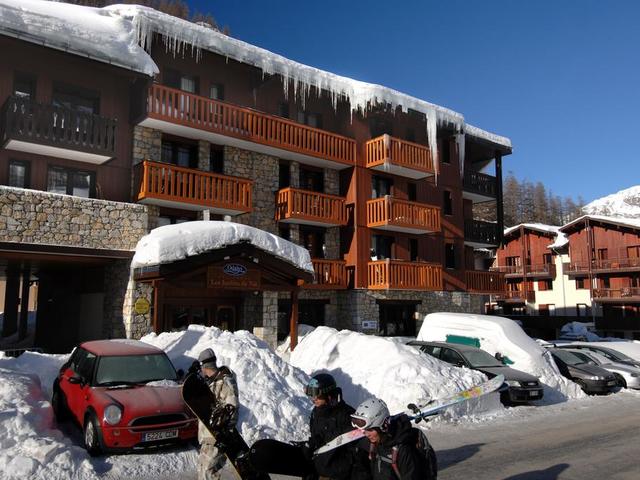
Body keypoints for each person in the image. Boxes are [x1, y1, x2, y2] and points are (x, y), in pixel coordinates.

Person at [302, 373, 370, 480]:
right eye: (309, 393)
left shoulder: (347, 415)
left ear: (328, 394)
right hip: (320, 469)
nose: (313, 399)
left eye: (316, 394)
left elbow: (357, 455)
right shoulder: (316, 412)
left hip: (340, 475)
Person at [351, 397, 437, 480]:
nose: (366, 434)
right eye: (364, 430)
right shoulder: (376, 441)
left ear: (383, 426)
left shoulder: (404, 450)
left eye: (370, 429)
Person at [196, 347, 239, 480]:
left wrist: (224, 434)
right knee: (203, 472)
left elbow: (233, 408)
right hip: (208, 437)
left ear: (204, 366)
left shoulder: (224, 381)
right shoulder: (212, 382)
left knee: (208, 473)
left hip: (218, 437)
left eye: (201, 367)